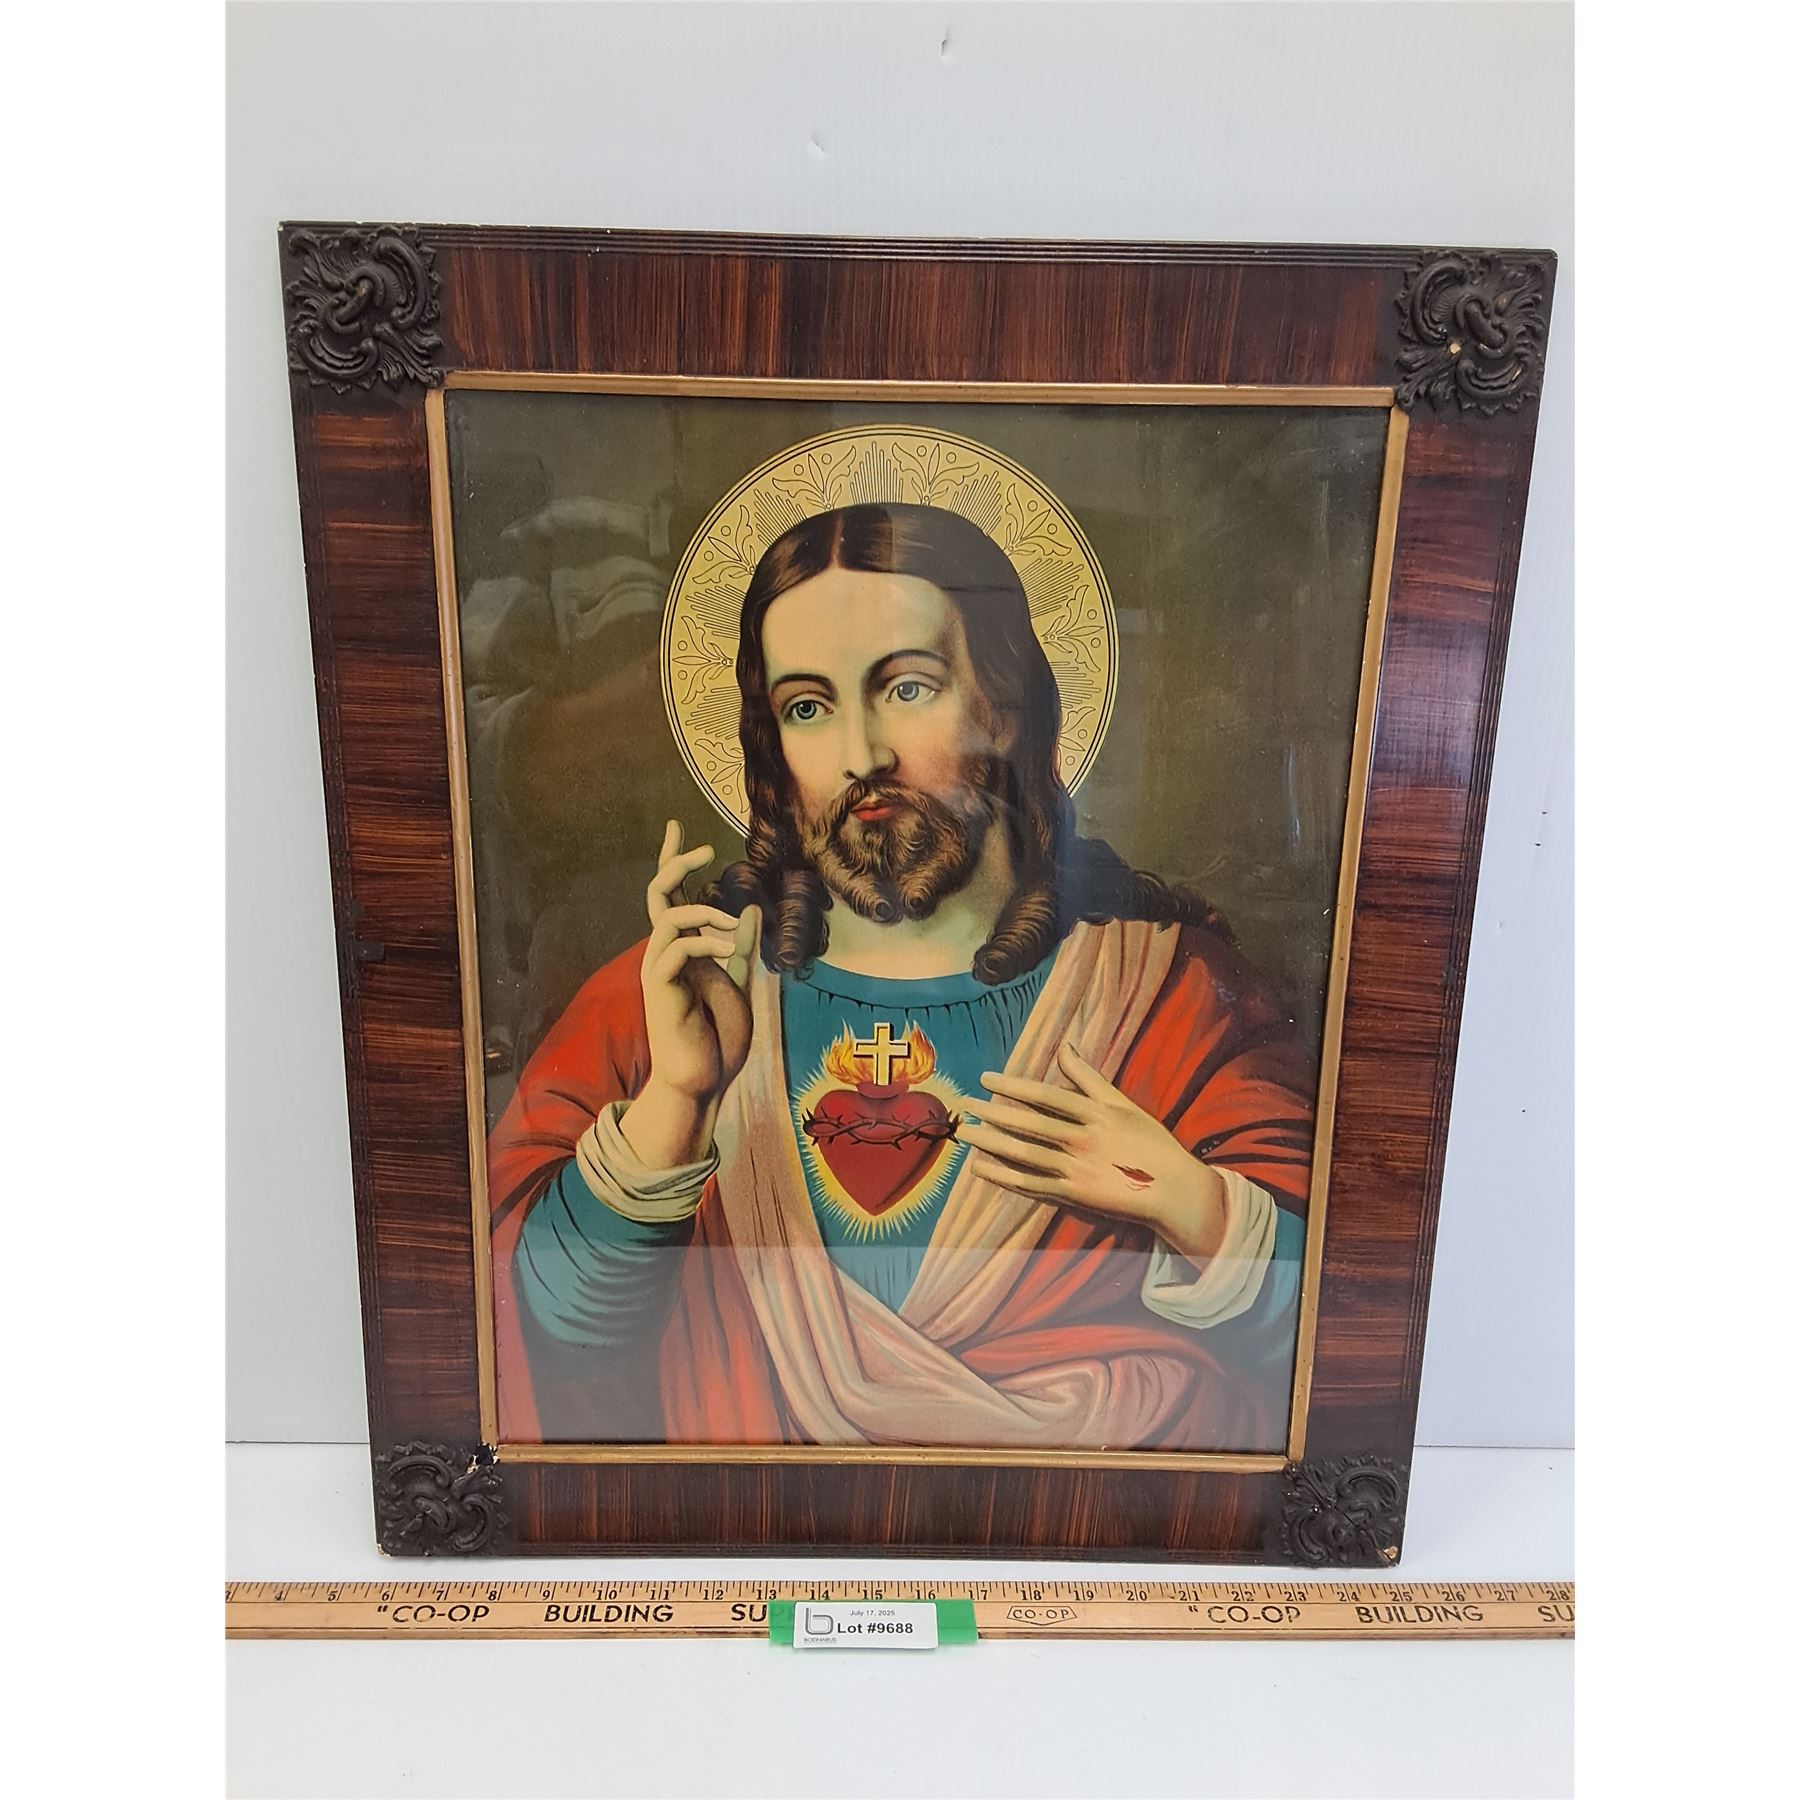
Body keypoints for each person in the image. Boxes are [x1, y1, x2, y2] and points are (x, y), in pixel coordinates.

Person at [488, 502, 1317, 1450]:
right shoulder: (675, 998)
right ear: (772, 747)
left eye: (907, 688)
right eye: (808, 707)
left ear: (1002, 706)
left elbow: (1323, 1342)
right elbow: (534, 1344)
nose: (862, 756)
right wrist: (675, 1105)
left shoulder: (1173, 1001)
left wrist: (1194, 1206)